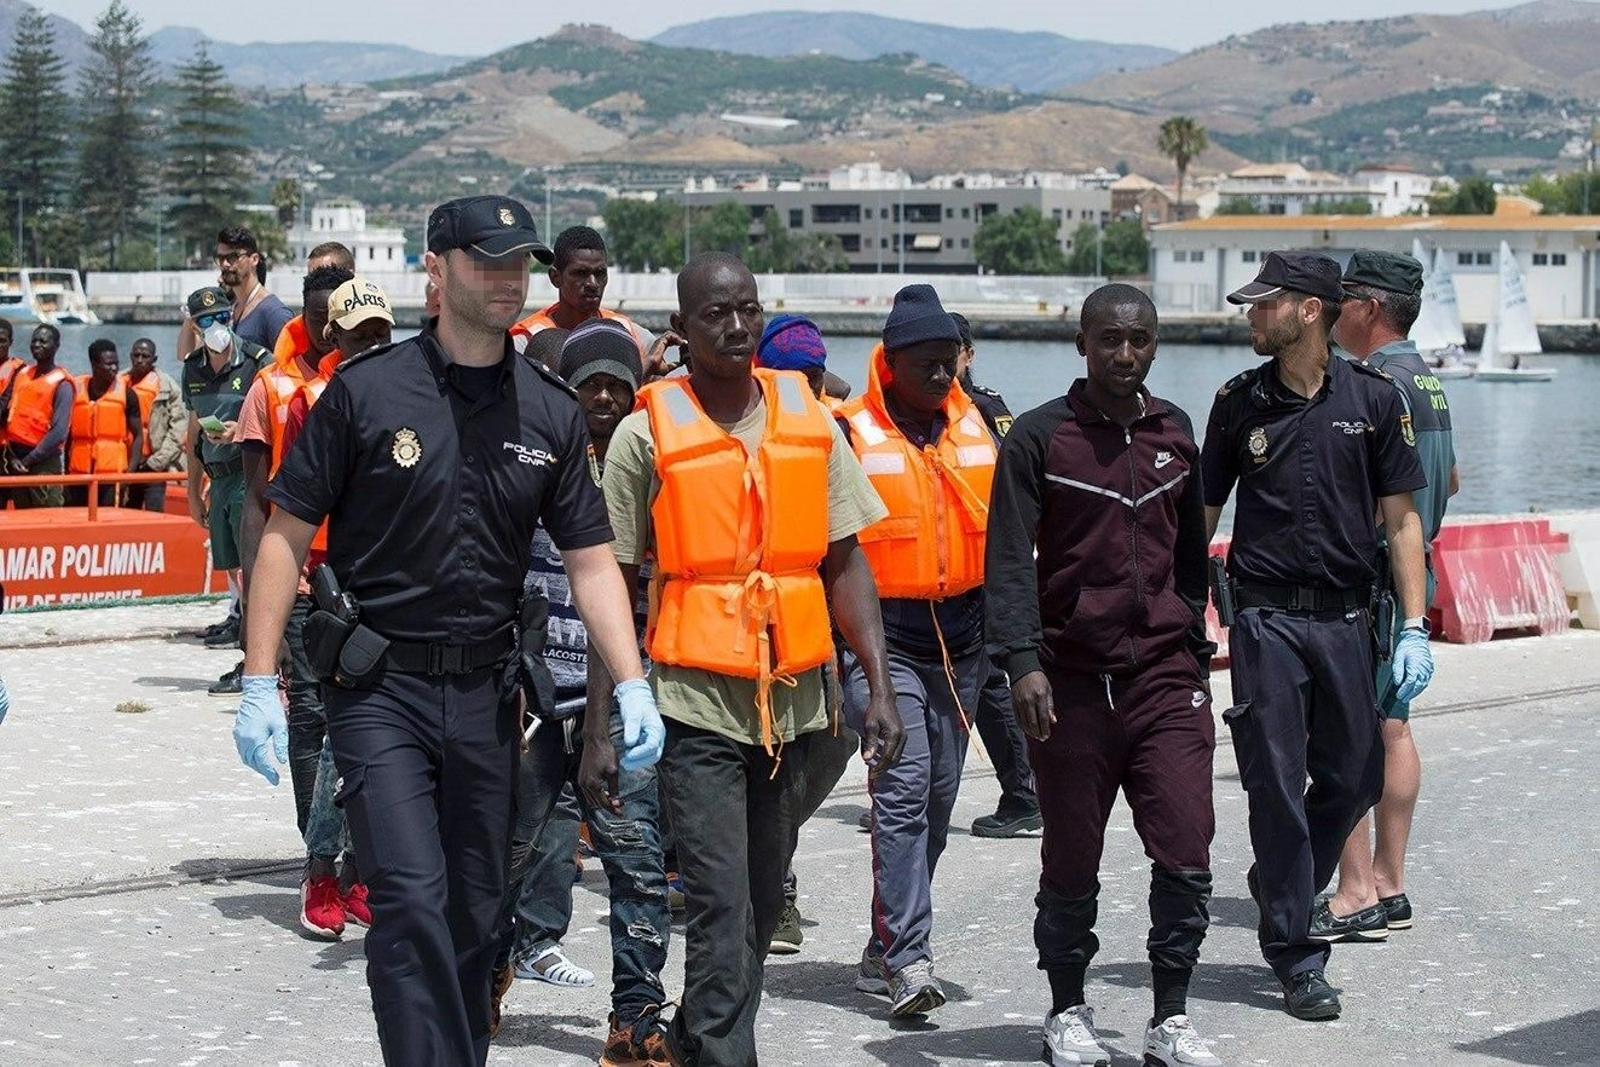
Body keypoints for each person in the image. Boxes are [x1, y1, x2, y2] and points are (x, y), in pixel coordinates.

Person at [234, 195, 660, 1067]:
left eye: (519, 264)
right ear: (436, 269)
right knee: (414, 900)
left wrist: (634, 680)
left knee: (476, 914)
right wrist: (257, 675)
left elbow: (590, 561)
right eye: (487, 260)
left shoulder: (547, 410)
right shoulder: (365, 393)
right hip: (378, 691)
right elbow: (283, 536)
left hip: (485, 696)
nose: (509, 279)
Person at [594, 251, 904, 1066]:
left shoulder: (811, 422)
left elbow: (846, 563)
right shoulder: (642, 434)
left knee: (762, 903)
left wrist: (880, 686)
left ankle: (696, 1038)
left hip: (800, 702)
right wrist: (600, 726)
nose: (735, 326)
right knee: (722, 902)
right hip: (693, 703)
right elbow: (610, 589)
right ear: (682, 331)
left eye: (748, 309)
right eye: (715, 314)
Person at [986, 284, 1221, 1067]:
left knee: (1187, 847)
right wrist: (1022, 662)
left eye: (1140, 340)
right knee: (1071, 858)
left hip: (1163, 678)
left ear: (1155, 345)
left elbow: (1192, 560)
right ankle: (1067, 1008)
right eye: (1110, 339)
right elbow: (1009, 563)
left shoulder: (1174, 434)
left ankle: (1171, 1017)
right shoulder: (1039, 439)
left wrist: (1191, 642)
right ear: (1082, 344)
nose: (1125, 354)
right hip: (1072, 683)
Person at [1201, 250, 1436, 1020]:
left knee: (1357, 775)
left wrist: (1415, 627)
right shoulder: (1237, 403)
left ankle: (1282, 879)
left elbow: (1403, 523)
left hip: (1345, 619)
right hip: (1264, 620)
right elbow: (1198, 524)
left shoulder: (1373, 398)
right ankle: (1297, 953)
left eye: (1262, 304)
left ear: (1308, 309)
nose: (1249, 316)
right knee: (1275, 786)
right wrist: (1183, 618)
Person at [494, 319, 674, 1064]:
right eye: (588, 382)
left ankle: (634, 1012)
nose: (603, 394)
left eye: (616, 383)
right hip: (534, 700)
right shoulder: (529, 462)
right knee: (507, 852)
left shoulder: (652, 471)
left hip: (625, 701)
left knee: (635, 859)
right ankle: (482, 978)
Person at [833, 285, 995, 1017]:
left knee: (936, 802)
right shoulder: (848, 432)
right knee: (900, 795)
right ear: (890, 363)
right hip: (883, 641)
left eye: (949, 365)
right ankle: (909, 959)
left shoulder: (982, 423)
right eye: (927, 365)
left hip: (965, 641)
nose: (941, 379)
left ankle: (881, 942)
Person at [1318, 251, 1458, 942]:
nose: (1333, 312)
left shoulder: (1374, 383)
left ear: (1369, 306)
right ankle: (1390, 879)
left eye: (1342, 299)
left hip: (1372, 580)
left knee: (1344, 737)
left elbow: (1375, 500)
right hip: (1414, 577)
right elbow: (1450, 480)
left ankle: (1353, 889)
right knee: (1394, 728)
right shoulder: (1427, 380)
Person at [236, 263, 362, 939]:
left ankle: (358, 865)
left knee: (365, 724)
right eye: (318, 317)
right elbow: (259, 505)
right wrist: (264, 600)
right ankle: (320, 868)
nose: (327, 329)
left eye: (337, 318)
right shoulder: (270, 388)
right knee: (311, 716)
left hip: (367, 579)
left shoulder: (371, 378)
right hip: (305, 581)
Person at [751, 312, 862, 955]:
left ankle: (765, 863)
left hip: (819, 631)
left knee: (826, 752)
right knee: (764, 766)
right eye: (790, 377)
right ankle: (774, 889)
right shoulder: (733, 433)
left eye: (812, 378)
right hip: (747, 636)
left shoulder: (831, 436)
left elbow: (852, 554)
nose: (802, 389)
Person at [949, 311, 1041, 839]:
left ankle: (1025, 793)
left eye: (953, 353)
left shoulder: (985, 411)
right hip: (942, 573)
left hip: (986, 569)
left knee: (986, 682)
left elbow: (1018, 486)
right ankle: (1023, 792)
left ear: (969, 354)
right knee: (983, 686)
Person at [181, 285, 270, 698]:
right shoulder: (193, 368)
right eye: (205, 321)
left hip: (249, 476)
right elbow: (194, 433)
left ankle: (255, 662)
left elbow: (279, 419)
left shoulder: (256, 361)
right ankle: (256, 657)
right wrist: (192, 489)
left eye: (221, 317)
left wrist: (245, 433)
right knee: (235, 575)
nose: (215, 326)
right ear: (195, 326)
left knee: (254, 575)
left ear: (232, 316)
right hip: (216, 480)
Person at [511, 225, 653, 354]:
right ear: (555, 278)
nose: (593, 283)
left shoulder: (633, 336)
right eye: (581, 273)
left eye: (600, 273)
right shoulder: (525, 342)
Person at [2, 325, 74, 508]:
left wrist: (29, 460)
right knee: (22, 518)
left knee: (47, 517)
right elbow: (9, 414)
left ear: (56, 346)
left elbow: (59, 432)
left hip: (42, 461)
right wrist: (13, 457)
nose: (37, 345)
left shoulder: (62, 384)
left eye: (43, 341)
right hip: (16, 458)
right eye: (34, 340)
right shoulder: (23, 375)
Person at [64, 340, 141, 507]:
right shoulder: (75, 391)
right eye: (108, 364)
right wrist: (65, 473)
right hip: (79, 475)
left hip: (111, 478)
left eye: (116, 363)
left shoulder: (127, 395)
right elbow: (69, 436)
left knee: (108, 523)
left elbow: (138, 436)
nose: (114, 368)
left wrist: (130, 474)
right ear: (94, 364)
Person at [122, 338, 186, 512]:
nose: (140, 360)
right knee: (125, 512)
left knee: (154, 512)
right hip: (126, 465)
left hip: (154, 465)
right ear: (130, 356)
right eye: (136, 355)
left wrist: (157, 462)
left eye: (145, 356)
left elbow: (178, 430)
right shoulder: (118, 383)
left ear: (154, 359)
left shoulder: (167, 388)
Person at [215, 226, 294, 352]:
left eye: (233, 257)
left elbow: (290, 367)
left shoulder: (275, 313)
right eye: (220, 258)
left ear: (254, 259)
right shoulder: (229, 309)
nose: (225, 264)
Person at [0, 318, 22, 449]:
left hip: (6, 447)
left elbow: (3, 409)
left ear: (10, 342)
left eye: (2, 341)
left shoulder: (18, 371)